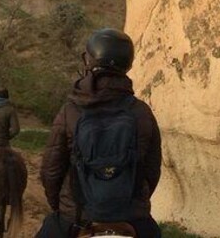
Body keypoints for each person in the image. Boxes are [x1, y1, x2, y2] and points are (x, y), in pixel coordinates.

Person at [38, 29, 162, 238]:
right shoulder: (142, 112)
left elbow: (51, 170)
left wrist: (60, 208)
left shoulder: (70, 110)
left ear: (88, 61)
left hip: (77, 216)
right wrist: (136, 202)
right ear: (128, 65)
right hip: (132, 216)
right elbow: (152, 170)